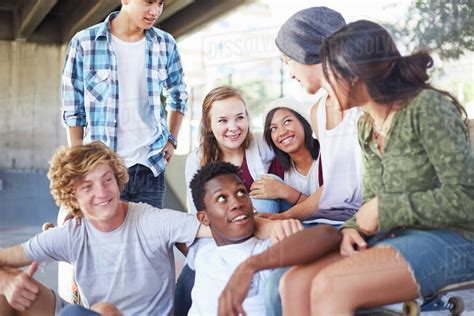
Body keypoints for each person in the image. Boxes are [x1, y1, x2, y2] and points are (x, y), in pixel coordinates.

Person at [220, 20, 474, 316]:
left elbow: (466, 198)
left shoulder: (425, 108)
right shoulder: (367, 125)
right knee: (293, 283)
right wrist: (354, 229)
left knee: (330, 285)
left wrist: (385, 209)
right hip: (398, 236)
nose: (323, 88)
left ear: (354, 75)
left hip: (456, 241)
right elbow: (369, 205)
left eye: (328, 76)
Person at [0, 142, 300, 315]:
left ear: (118, 181)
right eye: (87, 186)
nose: (102, 192)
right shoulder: (70, 234)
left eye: (107, 180)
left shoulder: (151, 220)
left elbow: (220, 224)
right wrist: (6, 280)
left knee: (100, 310)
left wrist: (270, 226)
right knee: (7, 292)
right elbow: (5, 257)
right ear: (72, 196)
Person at [255, 7, 363, 315]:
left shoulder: (365, 106)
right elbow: (330, 191)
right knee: (277, 284)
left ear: (307, 51)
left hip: (358, 226)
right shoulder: (317, 111)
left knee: (282, 284)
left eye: (288, 60)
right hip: (325, 223)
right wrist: (278, 219)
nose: (289, 72)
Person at [61, 0, 187, 209]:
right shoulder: (85, 42)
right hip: (101, 167)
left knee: (150, 241)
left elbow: (179, 95)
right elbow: (72, 107)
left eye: (160, 3)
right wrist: (78, 161)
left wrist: (172, 140)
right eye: (148, 2)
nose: (155, 11)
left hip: (150, 166)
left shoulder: (165, 44)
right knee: (104, 240)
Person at [187, 162, 306, 315]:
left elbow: (328, 236)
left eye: (242, 192)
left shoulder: (268, 247)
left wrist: (251, 265)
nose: (237, 203)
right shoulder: (204, 255)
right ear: (204, 218)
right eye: (222, 198)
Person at [249, 97, 321, 213]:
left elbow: (333, 210)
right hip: (294, 225)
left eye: (287, 122)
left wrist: (287, 192)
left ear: (304, 122)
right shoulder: (278, 166)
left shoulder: (326, 156)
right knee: (267, 183)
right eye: (273, 129)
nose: (282, 132)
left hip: (334, 225)